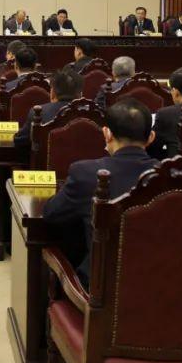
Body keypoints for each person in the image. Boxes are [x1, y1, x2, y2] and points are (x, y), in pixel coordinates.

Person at [42, 98, 159, 287]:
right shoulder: (170, 179)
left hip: (101, 289)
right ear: (151, 137)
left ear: (107, 134)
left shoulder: (86, 174)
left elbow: (51, 214)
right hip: (161, 286)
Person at [14, 67, 82, 152]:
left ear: (52, 93)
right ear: (79, 94)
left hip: (43, 160)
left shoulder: (39, 112)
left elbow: (20, 141)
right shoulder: (89, 114)